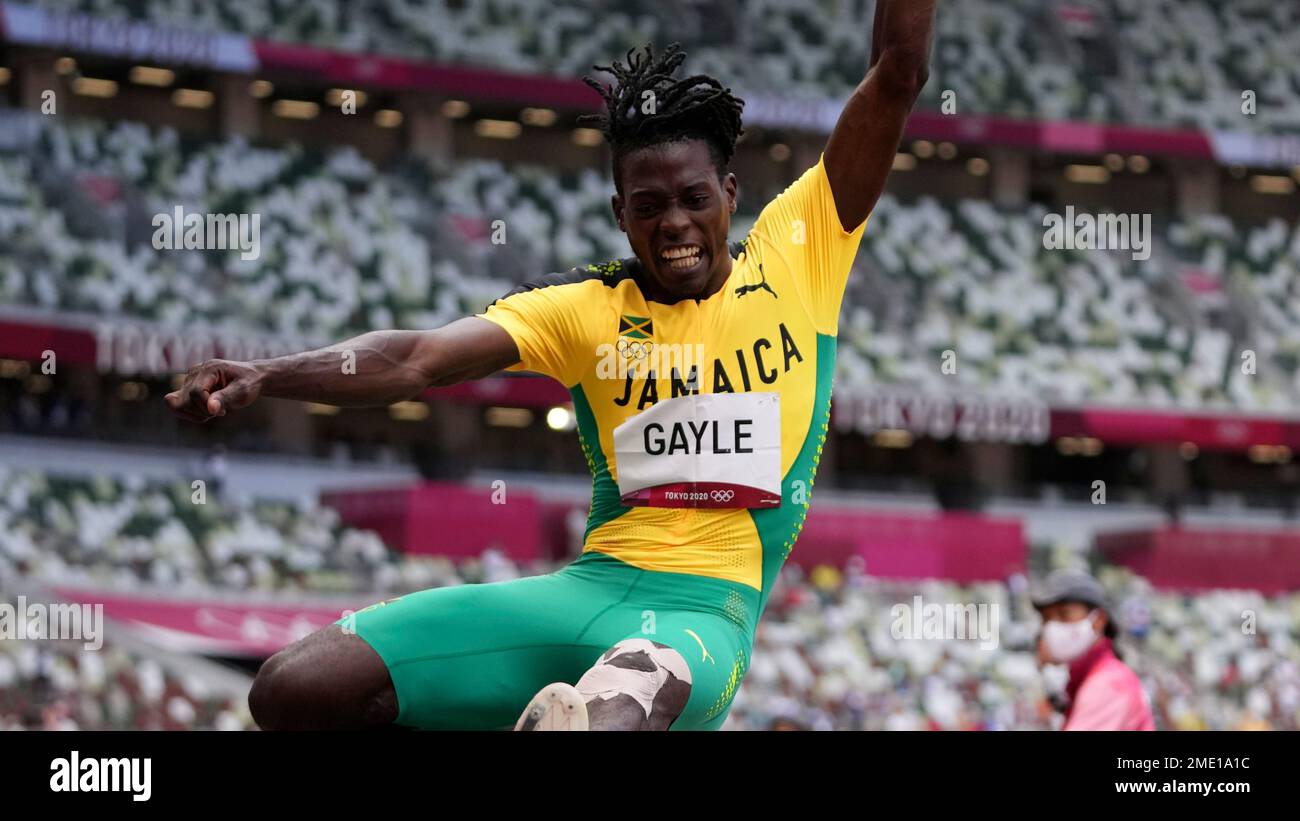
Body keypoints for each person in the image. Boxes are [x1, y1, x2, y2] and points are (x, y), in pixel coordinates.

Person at [165, 3, 936, 731]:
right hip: (585, 591)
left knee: (621, 698)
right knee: (292, 689)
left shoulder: (801, 252)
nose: (674, 224)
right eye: (648, 205)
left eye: (694, 198)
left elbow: (896, 73)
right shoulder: (584, 306)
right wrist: (269, 373)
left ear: (730, 194)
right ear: (618, 214)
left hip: (702, 618)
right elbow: (416, 359)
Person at [1032, 570, 1155, 731]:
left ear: (1098, 620)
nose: (1052, 627)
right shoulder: (1084, 680)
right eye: (1047, 618)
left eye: (1064, 615)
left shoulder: (1109, 684)